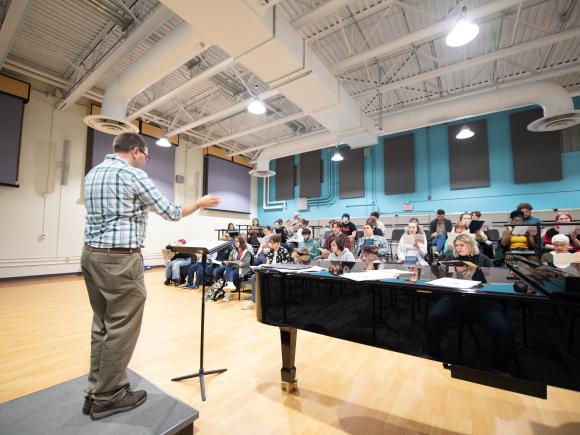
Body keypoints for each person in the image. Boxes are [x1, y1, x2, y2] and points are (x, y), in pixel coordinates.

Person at [82, 132, 219, 420]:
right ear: (135, 151)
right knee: (122, 326)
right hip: (120, 260)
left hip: (91, 256)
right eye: (146, 156)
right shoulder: (133, 176)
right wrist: (199, 203)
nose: (146, 161)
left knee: (102, 324)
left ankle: (95, 390)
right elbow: (170, 212)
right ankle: (109, 396)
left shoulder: (93, 173)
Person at [426, 235, 512, 373]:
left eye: (462, 245)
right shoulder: (450, 258)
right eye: (457, 245)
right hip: (454, 298)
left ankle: (500, 367)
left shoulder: (483, 259)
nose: (459, 248)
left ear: (471, 245)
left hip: (482, 301)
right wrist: (443, 268)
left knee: (503, 328)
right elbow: (436, 273)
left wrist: (475, 269)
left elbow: (492, 282)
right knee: (434, 316)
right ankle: (432, 353)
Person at [242, 234, 290, 310]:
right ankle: (254, 300)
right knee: (254, 277)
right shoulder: (271, 250)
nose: (271, 245)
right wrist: (262, 266)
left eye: (272, 243)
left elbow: (286, 266)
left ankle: (267, 301)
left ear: (278, 243)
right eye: (270, 243)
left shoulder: (284, 251)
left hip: (278, 273)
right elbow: (268, 262)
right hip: (269, 271)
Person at [223, 236, 252, 301]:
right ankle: (230, 285)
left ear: (241, 242)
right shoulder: (234, 250)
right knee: (228, 267)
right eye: (235, 241)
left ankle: (228, 293)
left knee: (230, 273)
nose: (235, 243)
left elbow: (246, 263)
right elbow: (230, 259)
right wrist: (228, 262)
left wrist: (241, 264)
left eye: (237, 241)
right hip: (233, 267)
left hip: (242, 268)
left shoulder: (246, 252)